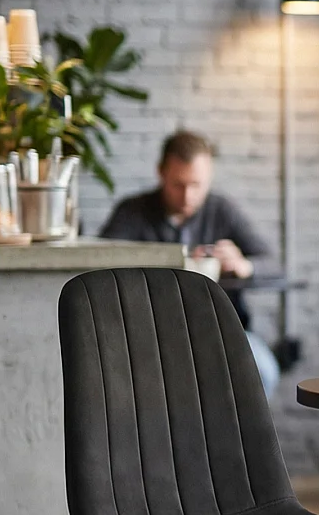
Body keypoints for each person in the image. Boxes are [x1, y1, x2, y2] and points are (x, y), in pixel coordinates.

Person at [99, 131, 282, 396]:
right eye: (178, 185)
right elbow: (103, 264)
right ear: (161, 173)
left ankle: (235, 438)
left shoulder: (222, 211)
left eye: (197, 185)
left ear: (210, 178)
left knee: (263, 372)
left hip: (223, 333)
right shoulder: (133, 213)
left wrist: (245, 265)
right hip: (150, 335)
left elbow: (273, 264)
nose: (187, 197)